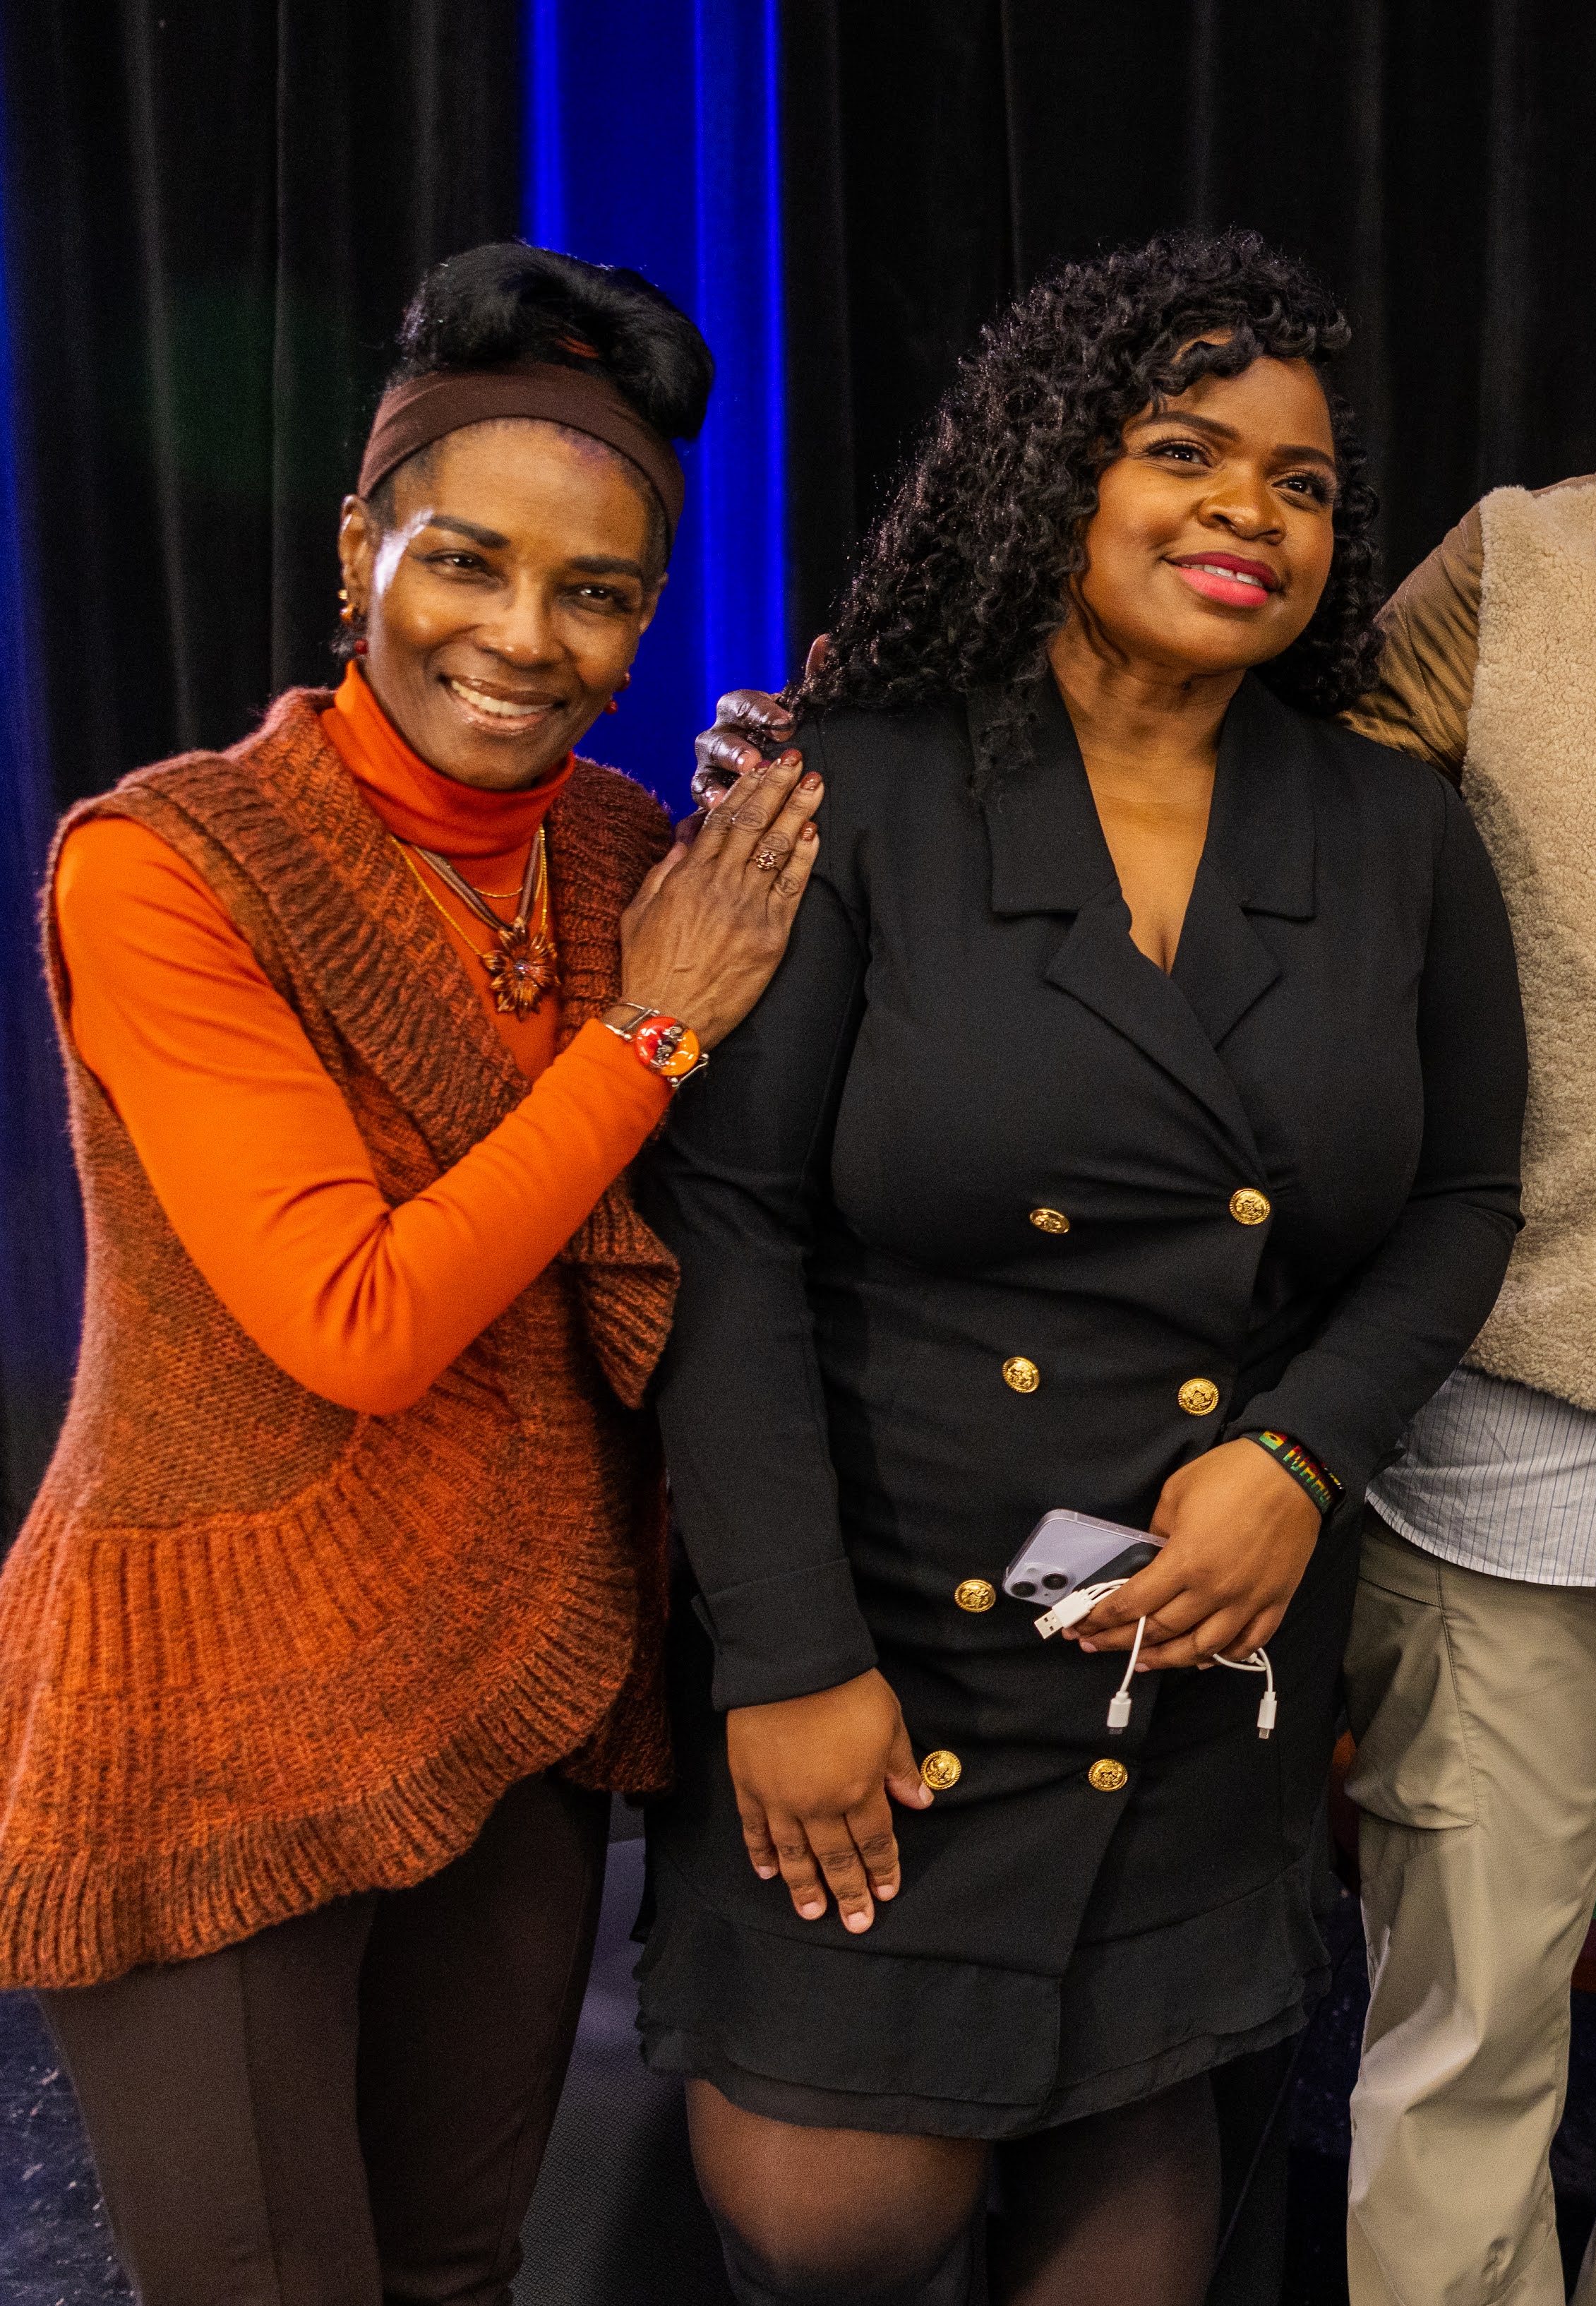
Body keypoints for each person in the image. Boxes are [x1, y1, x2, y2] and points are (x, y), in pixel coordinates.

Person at [694, 148, 1596, 2306]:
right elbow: (1246, 728)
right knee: (1458, 2026)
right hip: (1498, 1443)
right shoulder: (1513, 570)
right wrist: (850, 720)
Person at [632, 227, 1525, 2306]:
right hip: (888, 1636)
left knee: (1129, 2247)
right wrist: (781, 1659)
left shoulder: (1393, 836)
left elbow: (1469, 1200)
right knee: (845, 2224)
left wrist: (1301, 1458)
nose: (1249, 513)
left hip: (1191, 1646)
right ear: (1055, 473)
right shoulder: (850, 793)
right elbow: (729, 1234)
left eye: (1300, 485)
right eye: (1187, 453)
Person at [0, 243, 815, 2305]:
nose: (522, 639)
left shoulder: (636, 855)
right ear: (360, 544)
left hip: (518, 1671)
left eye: (598, 591)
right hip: (216, 1701)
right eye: (466, 562)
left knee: (457, 2278)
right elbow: (354, 1314)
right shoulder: (169, 863)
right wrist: (654, 1032)